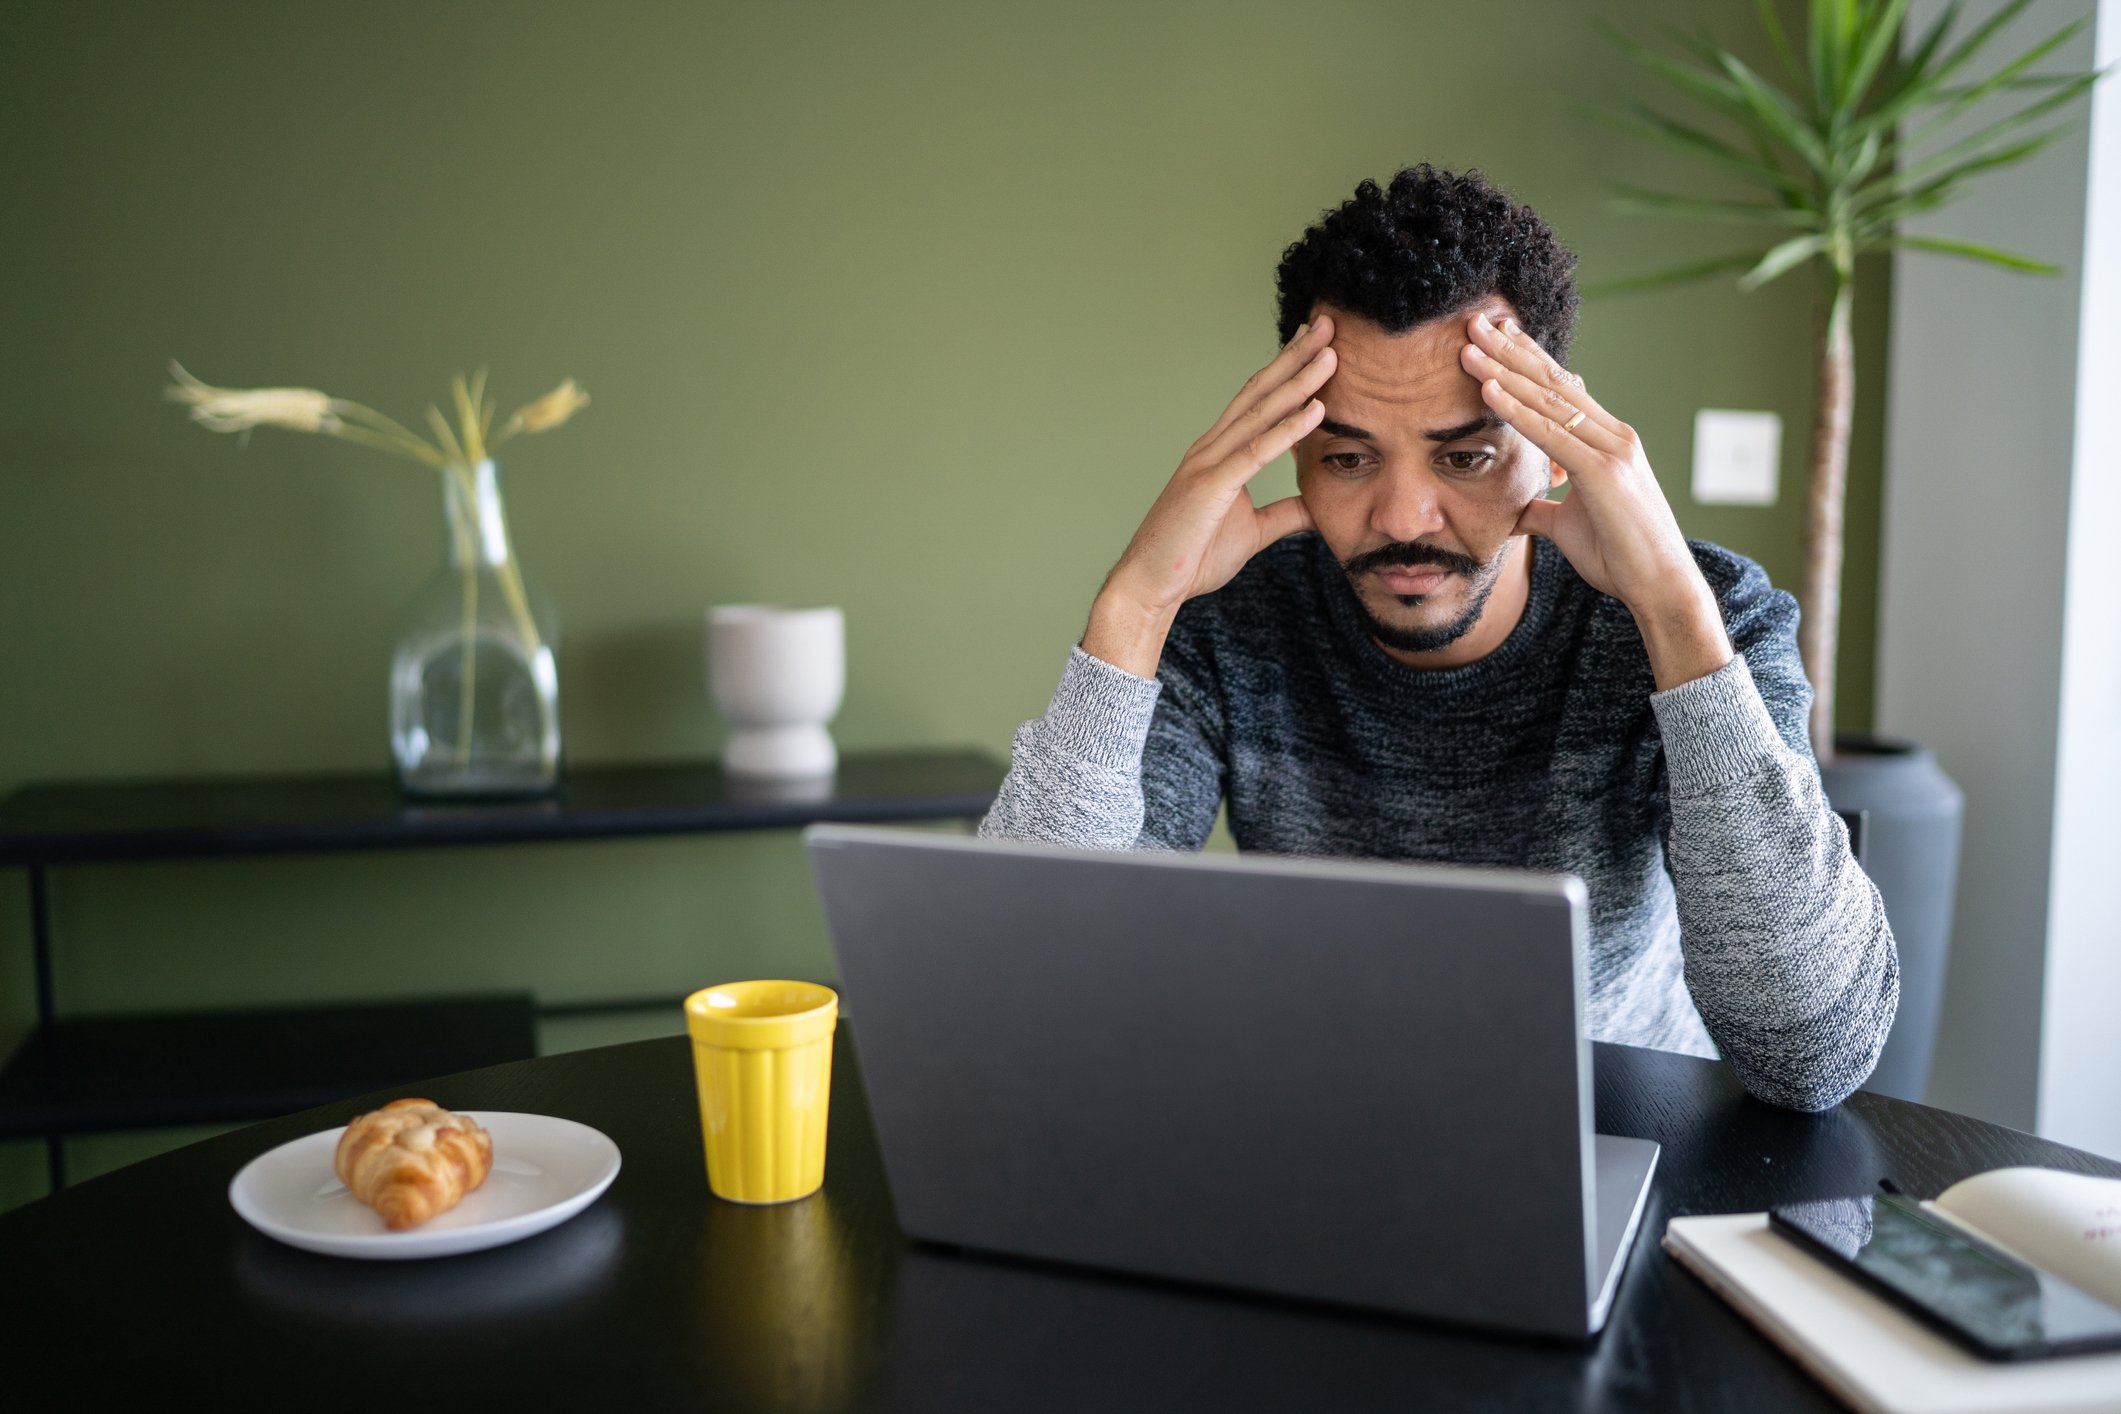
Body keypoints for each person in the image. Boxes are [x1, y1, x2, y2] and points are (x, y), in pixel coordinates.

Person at [979, 165, 1898, 1113]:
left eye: (1465, 456)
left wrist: (1670, 611)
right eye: (1347, 457)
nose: (1403, 516)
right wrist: (1133, 608)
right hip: (1323, 1135)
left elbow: (1813, 1056)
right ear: (1289, 450)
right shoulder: (1227, 618)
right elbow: (1020, 1008)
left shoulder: (1700, 618)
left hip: (1618, 1132)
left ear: (1552, 446)